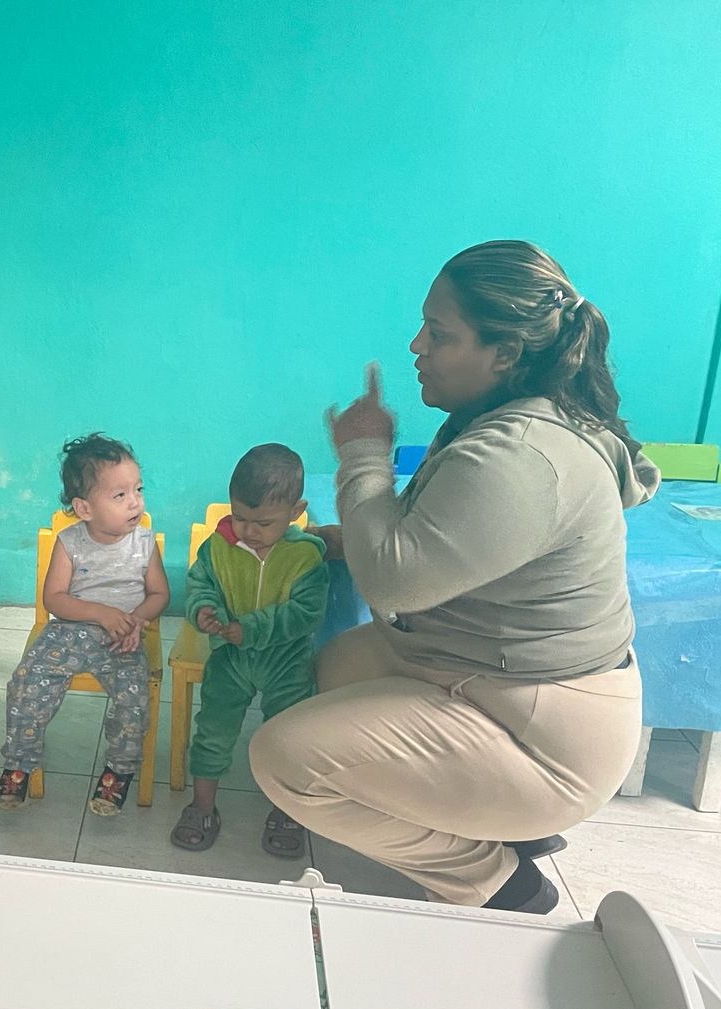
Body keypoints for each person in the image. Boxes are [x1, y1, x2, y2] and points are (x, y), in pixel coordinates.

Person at [250, 240, 657, 913]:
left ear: (504, 352)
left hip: (544, 730)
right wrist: (351, 540)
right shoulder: (500, 415)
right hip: (487, 670)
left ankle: (496, 879)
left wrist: (363, 453)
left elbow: (392, 585)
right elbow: (452, 536)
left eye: (439, 334)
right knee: (333, 668)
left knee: (284, 760)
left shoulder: (524, 454)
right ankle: (487, 813)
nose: (417, 346)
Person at [0, 433, 169, 815]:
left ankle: (118, 772)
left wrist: (136, 622)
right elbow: (54, 599)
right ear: (84, 508)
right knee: (25, 681)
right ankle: (19, 763)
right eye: (120, 495)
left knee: (134, 698)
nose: (135, 501)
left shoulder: (144, 543)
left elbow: (160, 594)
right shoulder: (70, 541)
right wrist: (99, 612)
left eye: (138, 489)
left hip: (123, 637)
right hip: (68, 631)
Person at [172, 444, 327, 854]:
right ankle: (202, 806)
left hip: (286, 661)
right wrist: (205, 610)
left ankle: (287, 811)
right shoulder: (217, 547)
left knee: (289, 736)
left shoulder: (305, 557)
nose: (249, 531)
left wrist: (252, 628)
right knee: (214, 729)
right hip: (230, 656)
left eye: (264, 522)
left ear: (296, 511)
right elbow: (200, 585)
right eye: (240, 517)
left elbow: (307, 613)